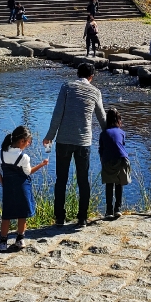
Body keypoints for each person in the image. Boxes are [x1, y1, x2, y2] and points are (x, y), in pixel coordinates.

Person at [43, 62, 107, 227]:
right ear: (91, 77)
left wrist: (50, 136)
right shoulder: (95, 92)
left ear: (78, 74)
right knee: (83, 180)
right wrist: (111, 136)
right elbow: (102, 118)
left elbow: (57, 113)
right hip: (83, 142)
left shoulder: (67, 87)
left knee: (61, 180)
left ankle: (59, 218)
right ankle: (82, 218)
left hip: (63, 140)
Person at [0, 125, 49, 251]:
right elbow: (28, 172)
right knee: (22, 213)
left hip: (8, 187)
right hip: (22, 188)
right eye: (28, 142)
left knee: (6, 215)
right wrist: (42, 164)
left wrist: (4, 184)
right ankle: (20, 239)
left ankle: (3, 242)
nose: (28, 144)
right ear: (22, 141)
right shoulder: (24, 157)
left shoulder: (2, 153)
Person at [99, 108, 130, 220]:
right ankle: (118, 209)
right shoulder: (122, 132)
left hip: (108, 160)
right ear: (118, 120)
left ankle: (108, 211)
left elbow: (101, 149)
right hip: (122, 159)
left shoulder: (103, 133)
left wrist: (102, 161)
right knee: (119, 183)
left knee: (109, 184)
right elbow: (121, 144)